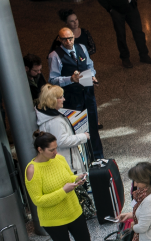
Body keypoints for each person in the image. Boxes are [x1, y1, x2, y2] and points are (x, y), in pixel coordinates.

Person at [24, 131, 92, 241]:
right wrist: (63, 191)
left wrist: (77, 178)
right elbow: (38, 200)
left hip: (73, 210)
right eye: (51, 150)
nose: (55, 153)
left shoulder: (59, 159)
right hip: (53, 220)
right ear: (40, 149)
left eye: (56, 148)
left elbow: (66, 176)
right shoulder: (32, 170)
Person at [48, 27, 103, 160]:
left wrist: (93, 75)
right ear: (60, 40)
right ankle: (83, 158)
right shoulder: (54, 56)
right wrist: (70, 79)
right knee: (77, 127)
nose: (68, 42)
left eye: (70, 38)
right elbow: (53, 79)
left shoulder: (82, 48)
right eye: (64, 39)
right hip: (72, 95)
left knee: (93, 124)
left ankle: (98, 156)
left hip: (88, 93)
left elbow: (90, 65)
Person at [35, 84, 90, 174]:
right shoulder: (55, 121)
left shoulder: (49, 117)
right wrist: (83, 136)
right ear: (52, 100)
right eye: (60, 97)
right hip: (68, 165)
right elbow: (62, 141)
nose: (64, 99)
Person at [96, 0, 151, 68]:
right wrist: (109, 8)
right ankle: (125, 58)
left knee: (139, 32)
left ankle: (144, 55)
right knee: (121, 34)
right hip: (116, 9)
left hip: (131, 6)